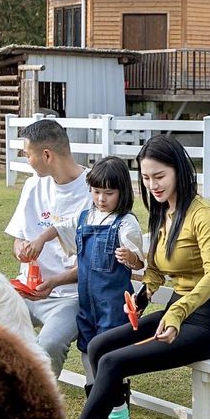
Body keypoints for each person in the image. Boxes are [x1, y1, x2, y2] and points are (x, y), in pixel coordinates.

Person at [77, 135, 210, 419]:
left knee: (113, 363)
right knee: (98, 347)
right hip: (176, 314)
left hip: (206, 323)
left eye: (159, 176)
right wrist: (141, 298)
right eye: (146, 178)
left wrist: (176, 311)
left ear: (179, 170)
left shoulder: (202, 214)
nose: (153, 185)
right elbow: (157, 272)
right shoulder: (162, 211)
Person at [22, 156, 144, 388]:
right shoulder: (85, 217)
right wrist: (40, 239)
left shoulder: (126, 224)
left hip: (113, 306)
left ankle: (118, 409)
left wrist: (130, 258)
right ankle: (96, 404)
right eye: (96, 191)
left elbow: (139, 263)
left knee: (110, 356)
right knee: (89, 352)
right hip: (88, 305)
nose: (101, 198)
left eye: (108, 193)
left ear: (122, 191)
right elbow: (58, 228)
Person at [5, 119, 90, 377]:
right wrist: (21, 249)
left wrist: (53, 282)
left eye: (27, 154)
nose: (27, 160)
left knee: (49, 345)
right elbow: (18, 238)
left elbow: (93, 262)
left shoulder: (94, 191)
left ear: (46, 155)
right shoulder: (33, 185)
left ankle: (36, 405)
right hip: (26, 291)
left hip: (68, 297)